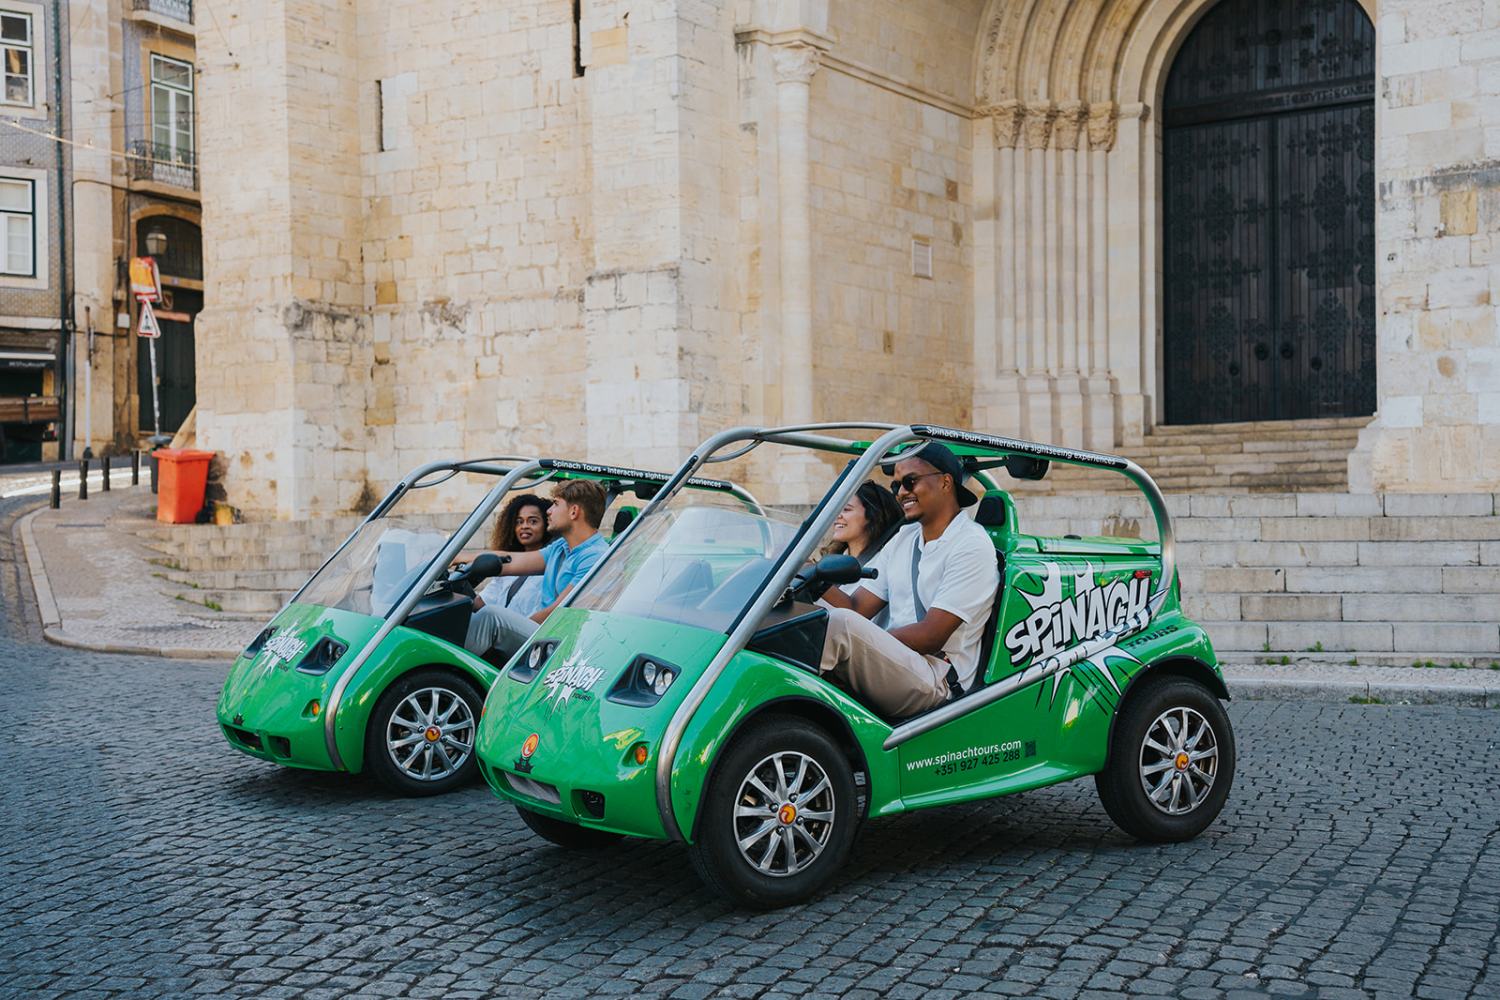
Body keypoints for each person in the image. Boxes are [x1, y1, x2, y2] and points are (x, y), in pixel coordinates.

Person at [818, 442, 999, 717]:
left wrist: (872, 643)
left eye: (910, 482)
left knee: (840, 626)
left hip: (938, 677)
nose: (902, 493)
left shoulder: (971, 544)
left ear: (946, 482)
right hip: (901, 665)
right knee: (809, 617)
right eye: (896, 486)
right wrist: (809, 573)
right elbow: (856, 608)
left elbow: (931, 637)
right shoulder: (904, 538)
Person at [462, 479, 609, 658]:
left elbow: (557, 612)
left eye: (555, 504)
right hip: (545, 633)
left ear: (573, 511)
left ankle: (449, 672)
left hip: (561, 641)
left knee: (492, 617)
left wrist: (514, 627)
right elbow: (511, 561)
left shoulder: (595, 555)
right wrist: (457, 558)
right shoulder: (561, 547)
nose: (549, 511)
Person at [823, 480, 904, 627]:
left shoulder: (883, 562)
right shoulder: (833, 561)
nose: (837, 515)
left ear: (873, 515)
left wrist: (813, 578)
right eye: (836, 509)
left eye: (846, 509)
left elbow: (855, 614)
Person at [475, 493, 550, 618]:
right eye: (519, 522)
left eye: (533, 521)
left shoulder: (552, 563)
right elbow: (482, 603)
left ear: (546, 524)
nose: (524, 526)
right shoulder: (506, 564)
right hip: (499, 632)